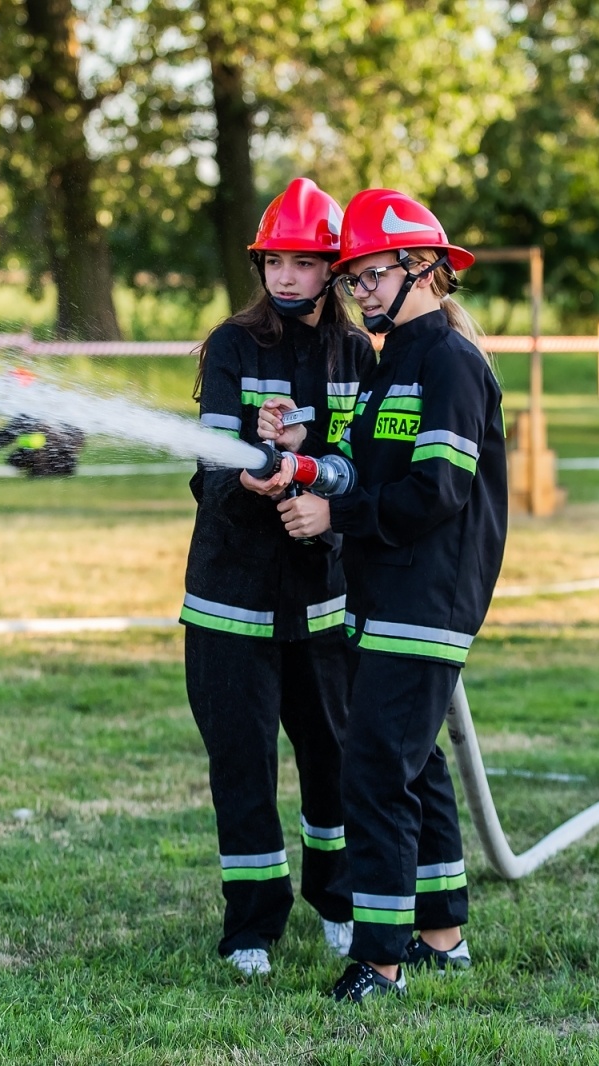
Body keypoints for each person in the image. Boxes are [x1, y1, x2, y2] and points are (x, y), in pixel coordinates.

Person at [253, 189, 508, 1002]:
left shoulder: (451, 363)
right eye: (352, 276)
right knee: (414, 765)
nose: (357, 288)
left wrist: (336, 510)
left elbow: (436, 491)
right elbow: (369, 466)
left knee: (373, 770)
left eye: (372, 273)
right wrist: (307, 455)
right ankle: (442, 937)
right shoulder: (389, 359)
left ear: (424, 268)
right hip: (381, 592)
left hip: (426, 596)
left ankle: (381, 961)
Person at [180, 177, 377, 977]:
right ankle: (252, 925)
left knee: (330, 755)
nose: (286, 278)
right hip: (230, 595)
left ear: (333, 267)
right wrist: (251, 481)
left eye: (303, 263)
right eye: (274, 263)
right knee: (243, 761)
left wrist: (320, 489)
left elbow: (367, 463)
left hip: (320, 595)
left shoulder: (358, 351)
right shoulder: (232, 345)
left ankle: (337, 900)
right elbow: (209, 463)